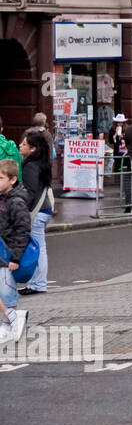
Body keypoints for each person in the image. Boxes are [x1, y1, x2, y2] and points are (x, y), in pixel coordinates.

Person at [16, 130, 53, 295]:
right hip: (44, 210)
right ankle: (37, 283)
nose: (20, 146)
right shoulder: (40, 162)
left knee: (38, 249)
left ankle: (38, 284)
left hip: (37, 212)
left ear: (33, 148)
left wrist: (21, 210)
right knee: (40, 248)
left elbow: (30, 192)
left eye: (24, 144)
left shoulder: (31, 165)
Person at [0, 159, 30, 344]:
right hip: (1, 251)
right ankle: (12, 318)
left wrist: (16, 257)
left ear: (12, 180)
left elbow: (23, 230)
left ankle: (8, 323)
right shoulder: (2, 198)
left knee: (6, 291)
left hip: (7, 254)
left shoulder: (17, 202)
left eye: (0, 177)